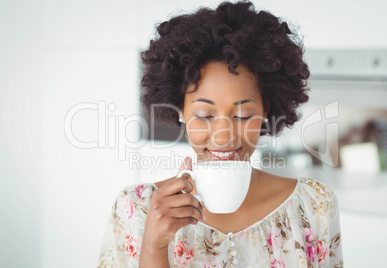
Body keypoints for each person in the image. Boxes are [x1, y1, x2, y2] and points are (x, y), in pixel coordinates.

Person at [97, 1, 343, 267]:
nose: (224, 137)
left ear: (265, 109)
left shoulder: (314, 204)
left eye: (243, 116)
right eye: (204, 116)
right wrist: (154, 246)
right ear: (180, 110)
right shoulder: (135, 209)